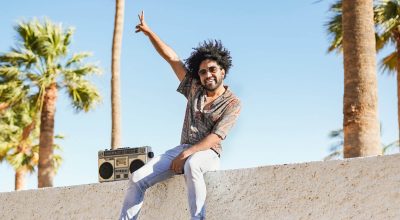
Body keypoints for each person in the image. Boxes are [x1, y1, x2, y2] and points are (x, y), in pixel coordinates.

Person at [119, 11, 241, 220]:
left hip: (209, 153)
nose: (207, 75)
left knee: (193, 165)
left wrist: (186, 155)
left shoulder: (233, 103)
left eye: (212, 69)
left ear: (223, 71)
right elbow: (172, 58)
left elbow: (216, 137)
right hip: (182, 149)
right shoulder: (194, 87)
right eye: (202, 71)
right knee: (137, 177)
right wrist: (149, 33)